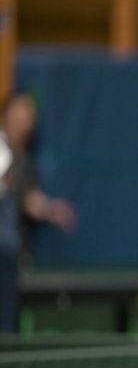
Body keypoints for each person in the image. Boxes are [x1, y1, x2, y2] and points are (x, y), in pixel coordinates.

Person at [0, 93, 77, 333]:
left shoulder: (23, 159)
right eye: (21, 110)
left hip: (9, 255)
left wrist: (52, 210)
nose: (26, 117)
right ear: (7, 114)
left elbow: (28, 200)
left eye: (30, 113)